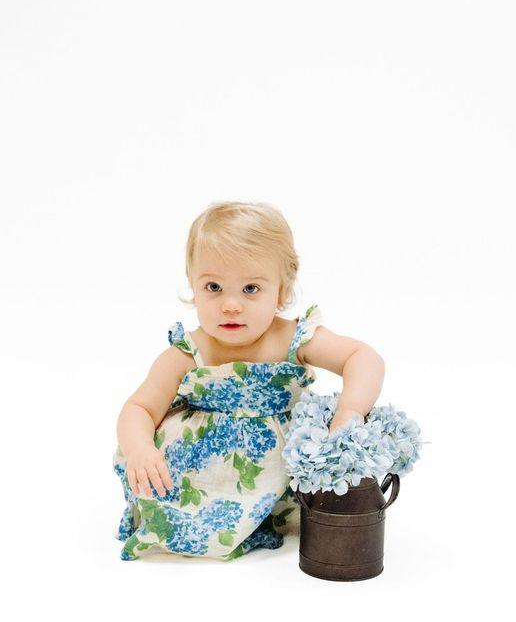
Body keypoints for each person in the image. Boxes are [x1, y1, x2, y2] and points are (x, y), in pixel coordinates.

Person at [112, 201, 386, 561]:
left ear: (282, 291)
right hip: (199, 474)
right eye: (213, 286)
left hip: (279, 475)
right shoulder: (188, 352)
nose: (230, 305)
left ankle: (269, 518)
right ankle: (188, 523)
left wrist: (349, 411)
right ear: (193, 286)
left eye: (251, 289)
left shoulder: (292, 339)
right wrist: (140, 449)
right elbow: (139, 407)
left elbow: (362, 357)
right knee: (172, 500)